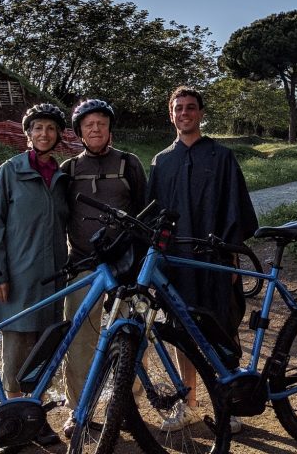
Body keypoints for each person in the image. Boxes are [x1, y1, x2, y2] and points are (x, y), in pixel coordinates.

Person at [146, 86, 259, 433]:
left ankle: (231, 406)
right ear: (171, 114)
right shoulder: (162, 162)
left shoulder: (221, 156)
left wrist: (231, 263)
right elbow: (154, 219)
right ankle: (189, 405)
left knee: (221, 330)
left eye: (190, 107)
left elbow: (236, 213)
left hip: (214, 261)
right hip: (177, 265)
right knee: (182, 333)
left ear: (201, 113)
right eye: (178, 108)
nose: (184, 113)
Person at [0, 102, 69, 447]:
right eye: (37, 128)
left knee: (44, 351)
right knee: (17, 351)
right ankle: (10, 420)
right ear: (28, 134)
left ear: (58, 134)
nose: (44, 134)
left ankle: (36, 418)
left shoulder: (63, 177)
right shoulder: (10, 171)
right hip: (17, 278)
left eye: (50, 128)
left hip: (52, 279)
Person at [59, 98, 146, 438]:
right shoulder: (69, 169)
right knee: (79, 338)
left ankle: (129, 408)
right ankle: (78, 409)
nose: (95, 129)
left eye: (101, 123)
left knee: (132, 334)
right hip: (83, 263)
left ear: (110, 128)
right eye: (88, 124)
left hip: (125, 266)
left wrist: (139, 262)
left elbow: (144, 211)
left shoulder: (129, 163)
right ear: (79, 131)